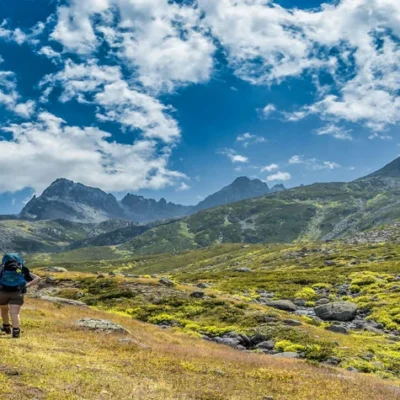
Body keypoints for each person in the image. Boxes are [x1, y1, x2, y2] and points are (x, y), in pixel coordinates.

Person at [0, 253, 40, 338]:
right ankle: (16, 332)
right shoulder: (20, 268)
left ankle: (6, 327)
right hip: (17, 292)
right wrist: (27, 285)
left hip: (2, 292)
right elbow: (38, 278)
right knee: (15, 313)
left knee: (4, 310)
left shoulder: (2, 267)